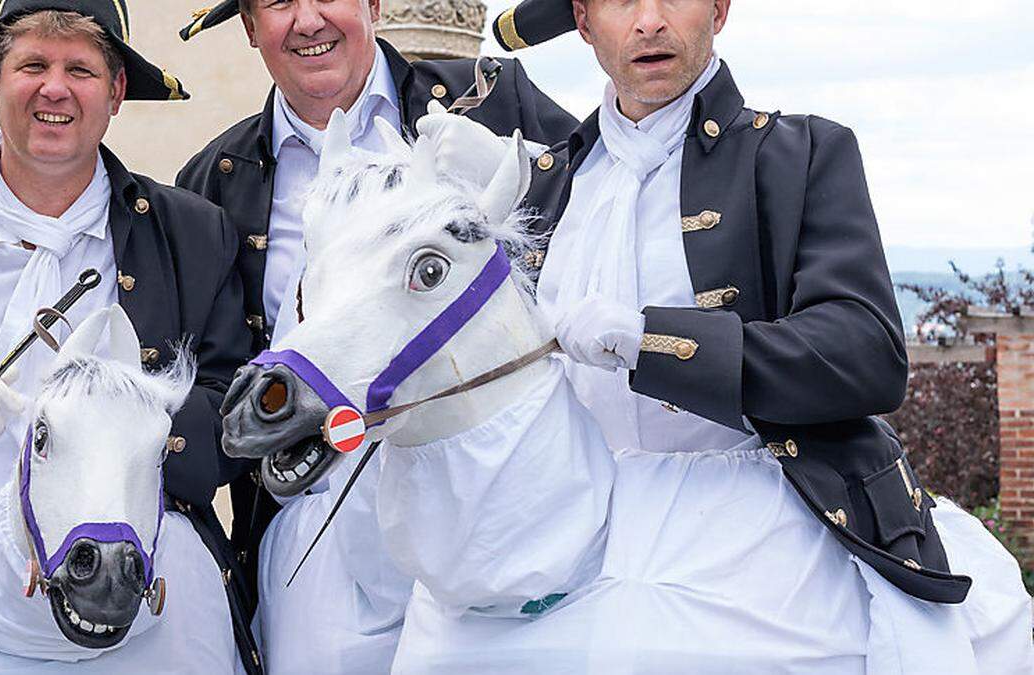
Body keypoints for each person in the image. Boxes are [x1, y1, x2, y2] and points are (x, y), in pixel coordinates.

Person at [399, 0, 1033, 669]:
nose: (649, 21)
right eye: (619, 1)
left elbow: (865, 353)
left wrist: (654, 341)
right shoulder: (548, 184)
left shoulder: (800, 155)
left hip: (759, 530)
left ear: (720, 9)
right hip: (560, 530)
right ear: (583, 23)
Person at [0, 2, 260, 671]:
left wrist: (140, 421)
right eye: (32, 63)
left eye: (81, 69)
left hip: (135, 561)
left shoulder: (193, 233)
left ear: (117, 92)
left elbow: (234, 413)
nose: (54, 88)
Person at [174, 0, 577, 670]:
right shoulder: (211, 181)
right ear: (249, 28)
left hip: (501, 515)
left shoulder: (494, 99)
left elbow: (606, 226)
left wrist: (532, 172)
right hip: (317, 536)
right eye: (277, 2)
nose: (307, 20)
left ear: (374, 5)